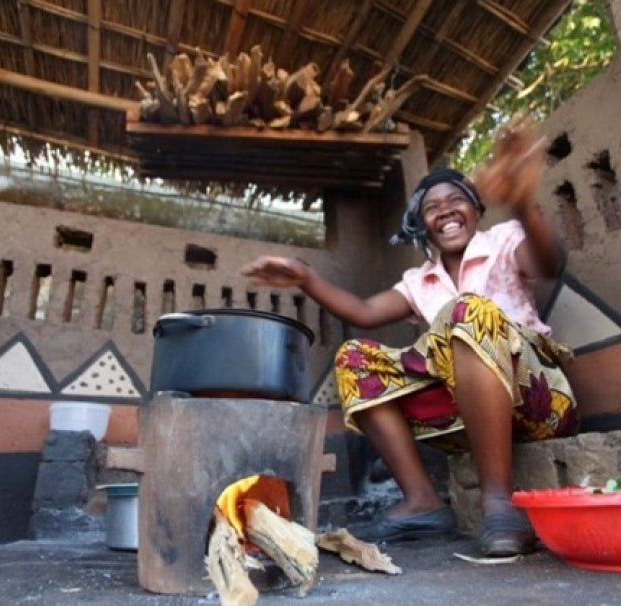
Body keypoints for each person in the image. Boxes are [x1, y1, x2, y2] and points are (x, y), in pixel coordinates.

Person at [240, 118, 579, 557]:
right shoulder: (420, 281)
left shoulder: (503, 240)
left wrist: (522, 203)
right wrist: (305, 277)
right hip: (457, 421)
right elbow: (363, 314)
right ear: (423, 226)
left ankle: (499, 502)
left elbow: (549, 264)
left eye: (457, 200)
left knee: (465, 312)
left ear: (476, 210)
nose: (446, 210)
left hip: (538, 402)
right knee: (354, 358)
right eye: (432, 208)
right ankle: (422, 499)